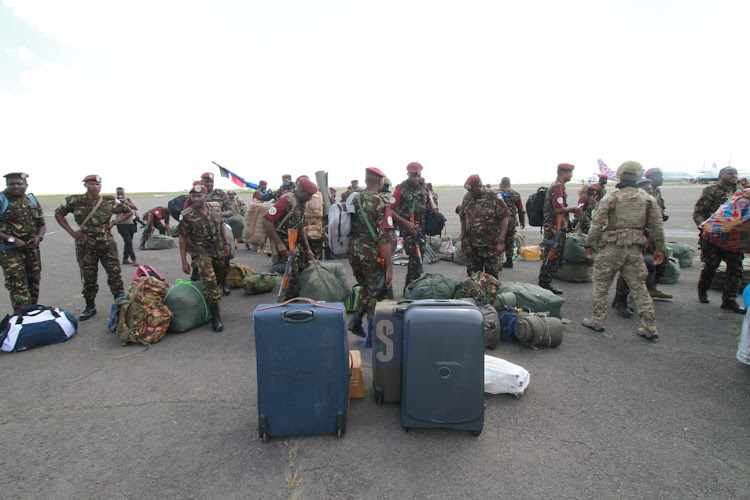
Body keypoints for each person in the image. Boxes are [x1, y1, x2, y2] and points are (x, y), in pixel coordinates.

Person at [582, 161, 666, 341]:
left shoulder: (611, 198)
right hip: (634, 250)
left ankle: (598, 320)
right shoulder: (648, 199)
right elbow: (657, 227)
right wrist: (660, 248)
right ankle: (650, 326)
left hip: (611, 249)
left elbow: (596, 225)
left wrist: (588, 244)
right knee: (640, 289)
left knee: (601, 287)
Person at [55, 175, 132, 320]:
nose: (95, 187)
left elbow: (129, 211)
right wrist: (72, 232)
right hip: (86, 246)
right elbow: (59, 214)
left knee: (115, 274)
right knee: (89, 278)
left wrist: (114, 222)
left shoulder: (109, 201)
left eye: (97, 184)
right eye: (91, 184)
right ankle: (90, 307)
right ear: (85, 185)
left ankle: (120, 304)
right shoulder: (75, 200)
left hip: (107, 245)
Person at [346, 167, 395, 346]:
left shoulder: (353, 197)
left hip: (354, 253)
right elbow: (385, 237)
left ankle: (356, 321)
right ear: (380, 182)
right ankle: (373, 337)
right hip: (372, 255)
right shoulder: (381, 203)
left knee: (366, 287)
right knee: (378, 294)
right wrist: (389, 267)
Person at [693, 166, 747, 313]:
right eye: (730, 173)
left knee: (736, 268)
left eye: (736, 173)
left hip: (733, 238)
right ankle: (703, 290)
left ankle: (729, 300)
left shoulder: (742, 191)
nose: (734, 176)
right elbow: (698, 212)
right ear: (721, 175)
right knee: (711, 265)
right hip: (714, 237)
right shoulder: (711, 191)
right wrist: (704, 227)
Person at [178, 184, 230, 332]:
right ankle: (216, 316)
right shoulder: (187, 214)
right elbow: (182, 237)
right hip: (200, 252)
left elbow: (221, 226)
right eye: (193, 196)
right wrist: (184, 261)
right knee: (209, 280)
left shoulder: (215, 208)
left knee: (221, 274)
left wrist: (226, 243)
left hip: (218, 248)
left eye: (199, 196)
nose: (196, 199)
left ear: (206, 196)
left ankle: (212, 297)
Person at [611, 178, 662, 318]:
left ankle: (620, 300)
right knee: (629, 271)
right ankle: (621, 301)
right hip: (628, 242)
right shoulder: (627, 204)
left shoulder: (648, 203)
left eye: (651, 190)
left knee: (635, 271)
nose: (650, 192)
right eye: (647, 189)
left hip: (643, 241)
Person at [261, 177, 317, 301]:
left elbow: (300, 226)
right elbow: (266, 220)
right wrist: (279, 243)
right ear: (301, 190)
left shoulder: (301, 203)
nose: (310, 198)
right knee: (291, 277)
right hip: (284, 244)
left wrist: (307, 249)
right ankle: (287, 303)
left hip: (295, 244)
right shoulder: (286, 201)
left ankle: (297, 299)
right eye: (309, 195)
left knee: (302, 272)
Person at [0, 172, 46, 313]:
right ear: (7, 185)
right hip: (10, 251)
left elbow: (41, 224)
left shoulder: (31, 200)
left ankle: (31, 314)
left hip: (31, 250)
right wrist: (12, 239)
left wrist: (39, 237)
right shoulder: (2, 199)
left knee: (34, 283)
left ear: (26, 185)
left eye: (19, 183)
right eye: (12, 184)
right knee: (18, 285)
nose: (16, 186)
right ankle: (21, 317)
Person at [389, 162, 437, 293]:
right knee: (415, 259)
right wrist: (406, 223)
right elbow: (390, 210)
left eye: (417, 174)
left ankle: (413, 287)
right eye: (413, 175)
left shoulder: (425, 187)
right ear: (408, 174)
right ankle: (409, 289)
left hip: (422, 228)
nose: (415, 177)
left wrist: (433, 208)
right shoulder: (401, 188)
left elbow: (431, 202)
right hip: (409, 229)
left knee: (419, 258)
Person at [537, 163, 581, 295]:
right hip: (554, 229)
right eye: (570, 173)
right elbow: (558, 209)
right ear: (563, 173)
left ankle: (545, 283)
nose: (571, 175)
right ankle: (544, 284)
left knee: (553, 256)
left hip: (556, 227)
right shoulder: (557, 187)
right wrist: (573, 209)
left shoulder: (558, 186)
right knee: (551, 256)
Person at [458, 174, 508, 278]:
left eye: (473, 191)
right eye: (469, 191)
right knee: (474, 277)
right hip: (473, 246)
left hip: (491, 245)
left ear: (480, 186)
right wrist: (463, 239)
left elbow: (504, 217)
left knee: (491, 277)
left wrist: (501, 241)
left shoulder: (494, 196)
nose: (471, 193)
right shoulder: (467, 197)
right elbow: (463, 218)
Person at [642, 168, 672, 299]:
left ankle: (652, 288)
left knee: (662, 259)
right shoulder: (642, 192)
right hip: (644, 234)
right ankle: (638, 291)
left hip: (656, 233)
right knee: (643, 263)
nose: (662, 178)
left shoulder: (657, 192)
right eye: (658, 176)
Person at [498, 177, 525, 268]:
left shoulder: (495, 193)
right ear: (509, 183)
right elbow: (521, 210)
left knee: (497, 240)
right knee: (509, 240)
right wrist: (522, 221)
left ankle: (497, 261)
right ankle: (509, 261)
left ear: (501, 183)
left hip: (498, 221)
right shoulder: (515, 194)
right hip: (511, 221)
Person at [115, 187, 139, 265]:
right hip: (121, 223)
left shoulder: (128, 199)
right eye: (119, 193)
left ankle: (125, 259)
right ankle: (134, 259)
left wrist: (126, 203)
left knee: (128, 242)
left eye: (122, 193)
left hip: (130, 223)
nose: (121, 194)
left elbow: (135, 208)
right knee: (128, 242)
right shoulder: (115, 201)